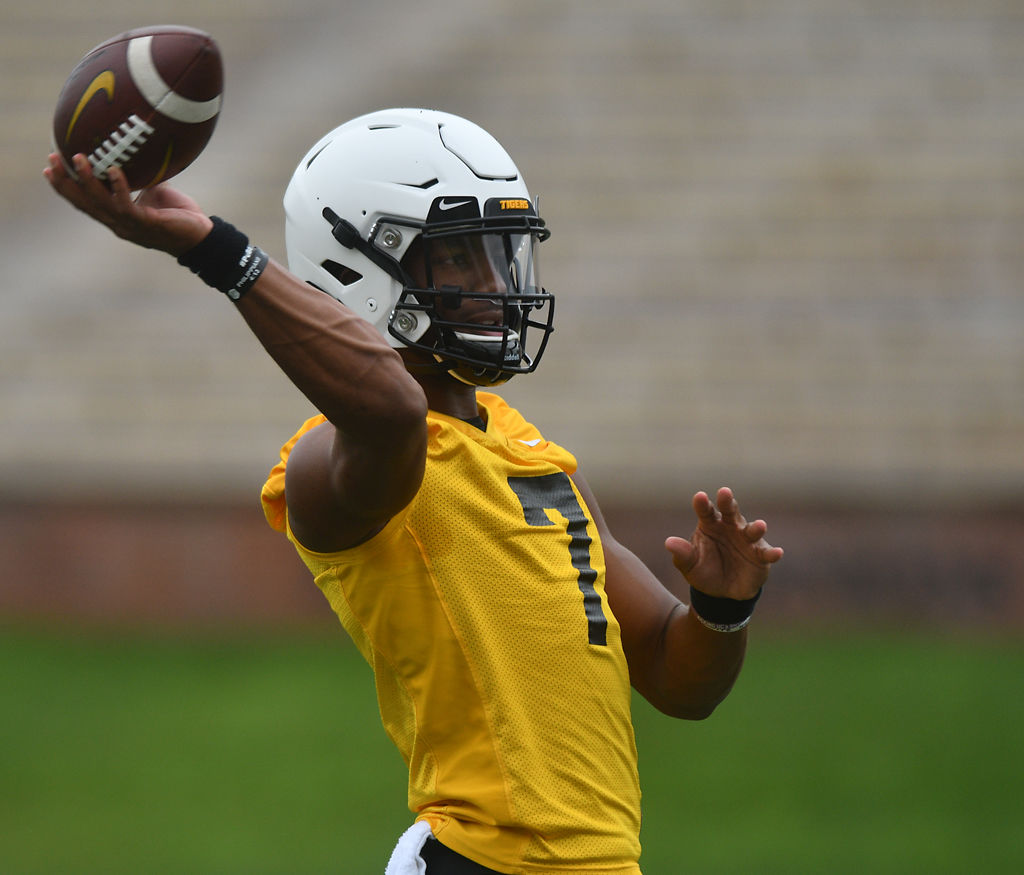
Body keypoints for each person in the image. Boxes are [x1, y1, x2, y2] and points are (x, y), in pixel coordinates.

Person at [45, 108, 783, 875]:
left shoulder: (535, 453)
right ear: (354, 272)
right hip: (478, 859)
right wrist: (217, 252)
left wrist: (722, 610)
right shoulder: (332, 460)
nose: (498, 285)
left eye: (501, 255)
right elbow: (391, 409)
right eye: (460, 260)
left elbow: (674, 672)